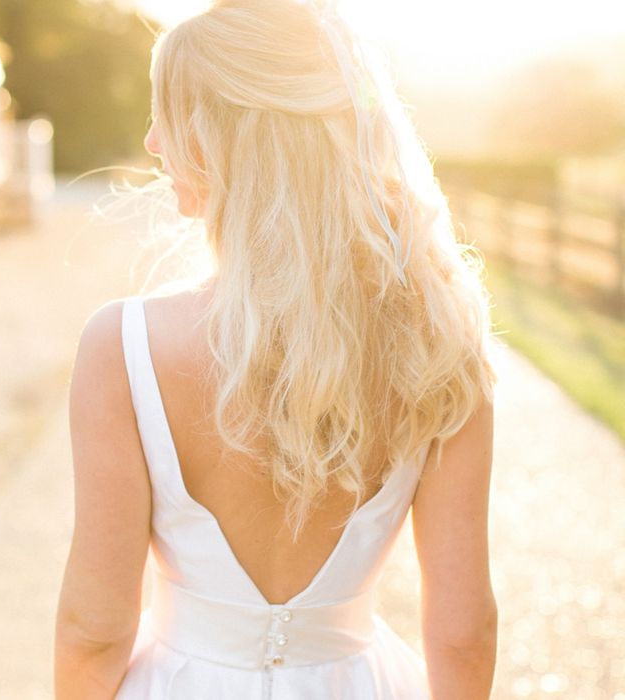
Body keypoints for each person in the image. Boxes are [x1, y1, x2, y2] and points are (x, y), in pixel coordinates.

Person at [54, 0, 499, 697]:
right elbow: (464, 632)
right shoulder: (441, 346)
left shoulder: (124, 347)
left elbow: (94, 626)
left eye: (166, 114)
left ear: (223, 137)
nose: (150, 143)